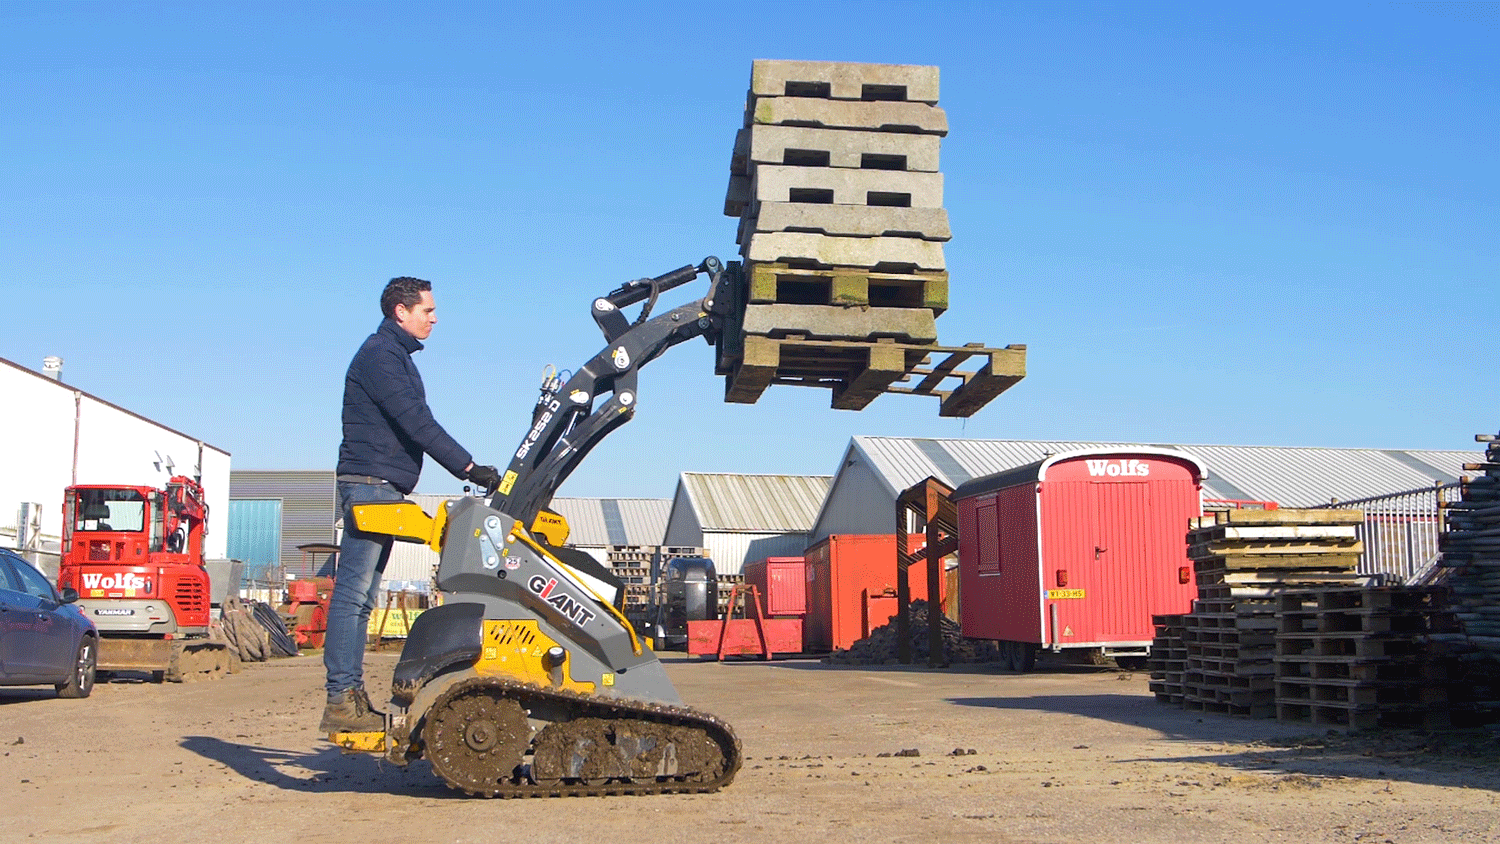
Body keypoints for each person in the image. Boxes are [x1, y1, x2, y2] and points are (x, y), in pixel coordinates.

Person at [320, 276, 502, 733]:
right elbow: (416, 421)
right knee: (354, 595)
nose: (435, 318)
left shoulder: (394, 357)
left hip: (381, 485)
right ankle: (342, 699)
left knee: (362, 599)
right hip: (370, 485)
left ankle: (350, 698)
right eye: (428, 310)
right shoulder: (381, 356)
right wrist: (469, 467)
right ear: (401, 311)